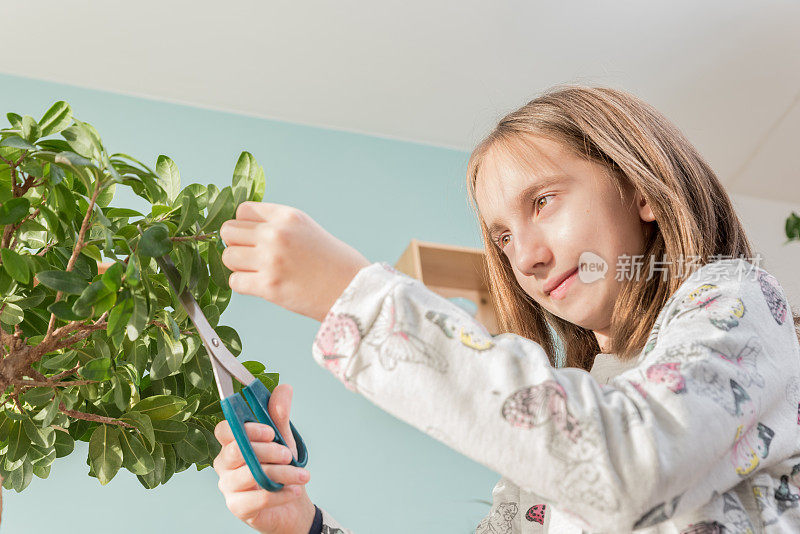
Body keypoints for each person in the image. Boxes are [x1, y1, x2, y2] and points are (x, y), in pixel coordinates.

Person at [212, 85, 800, 533]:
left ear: (640, 187)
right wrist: (306, 523)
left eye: (543, 201)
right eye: (503, 238)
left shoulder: (736, 301)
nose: (528, 259)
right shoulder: (551, 440)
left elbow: (628, 461)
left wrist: (356, 298)